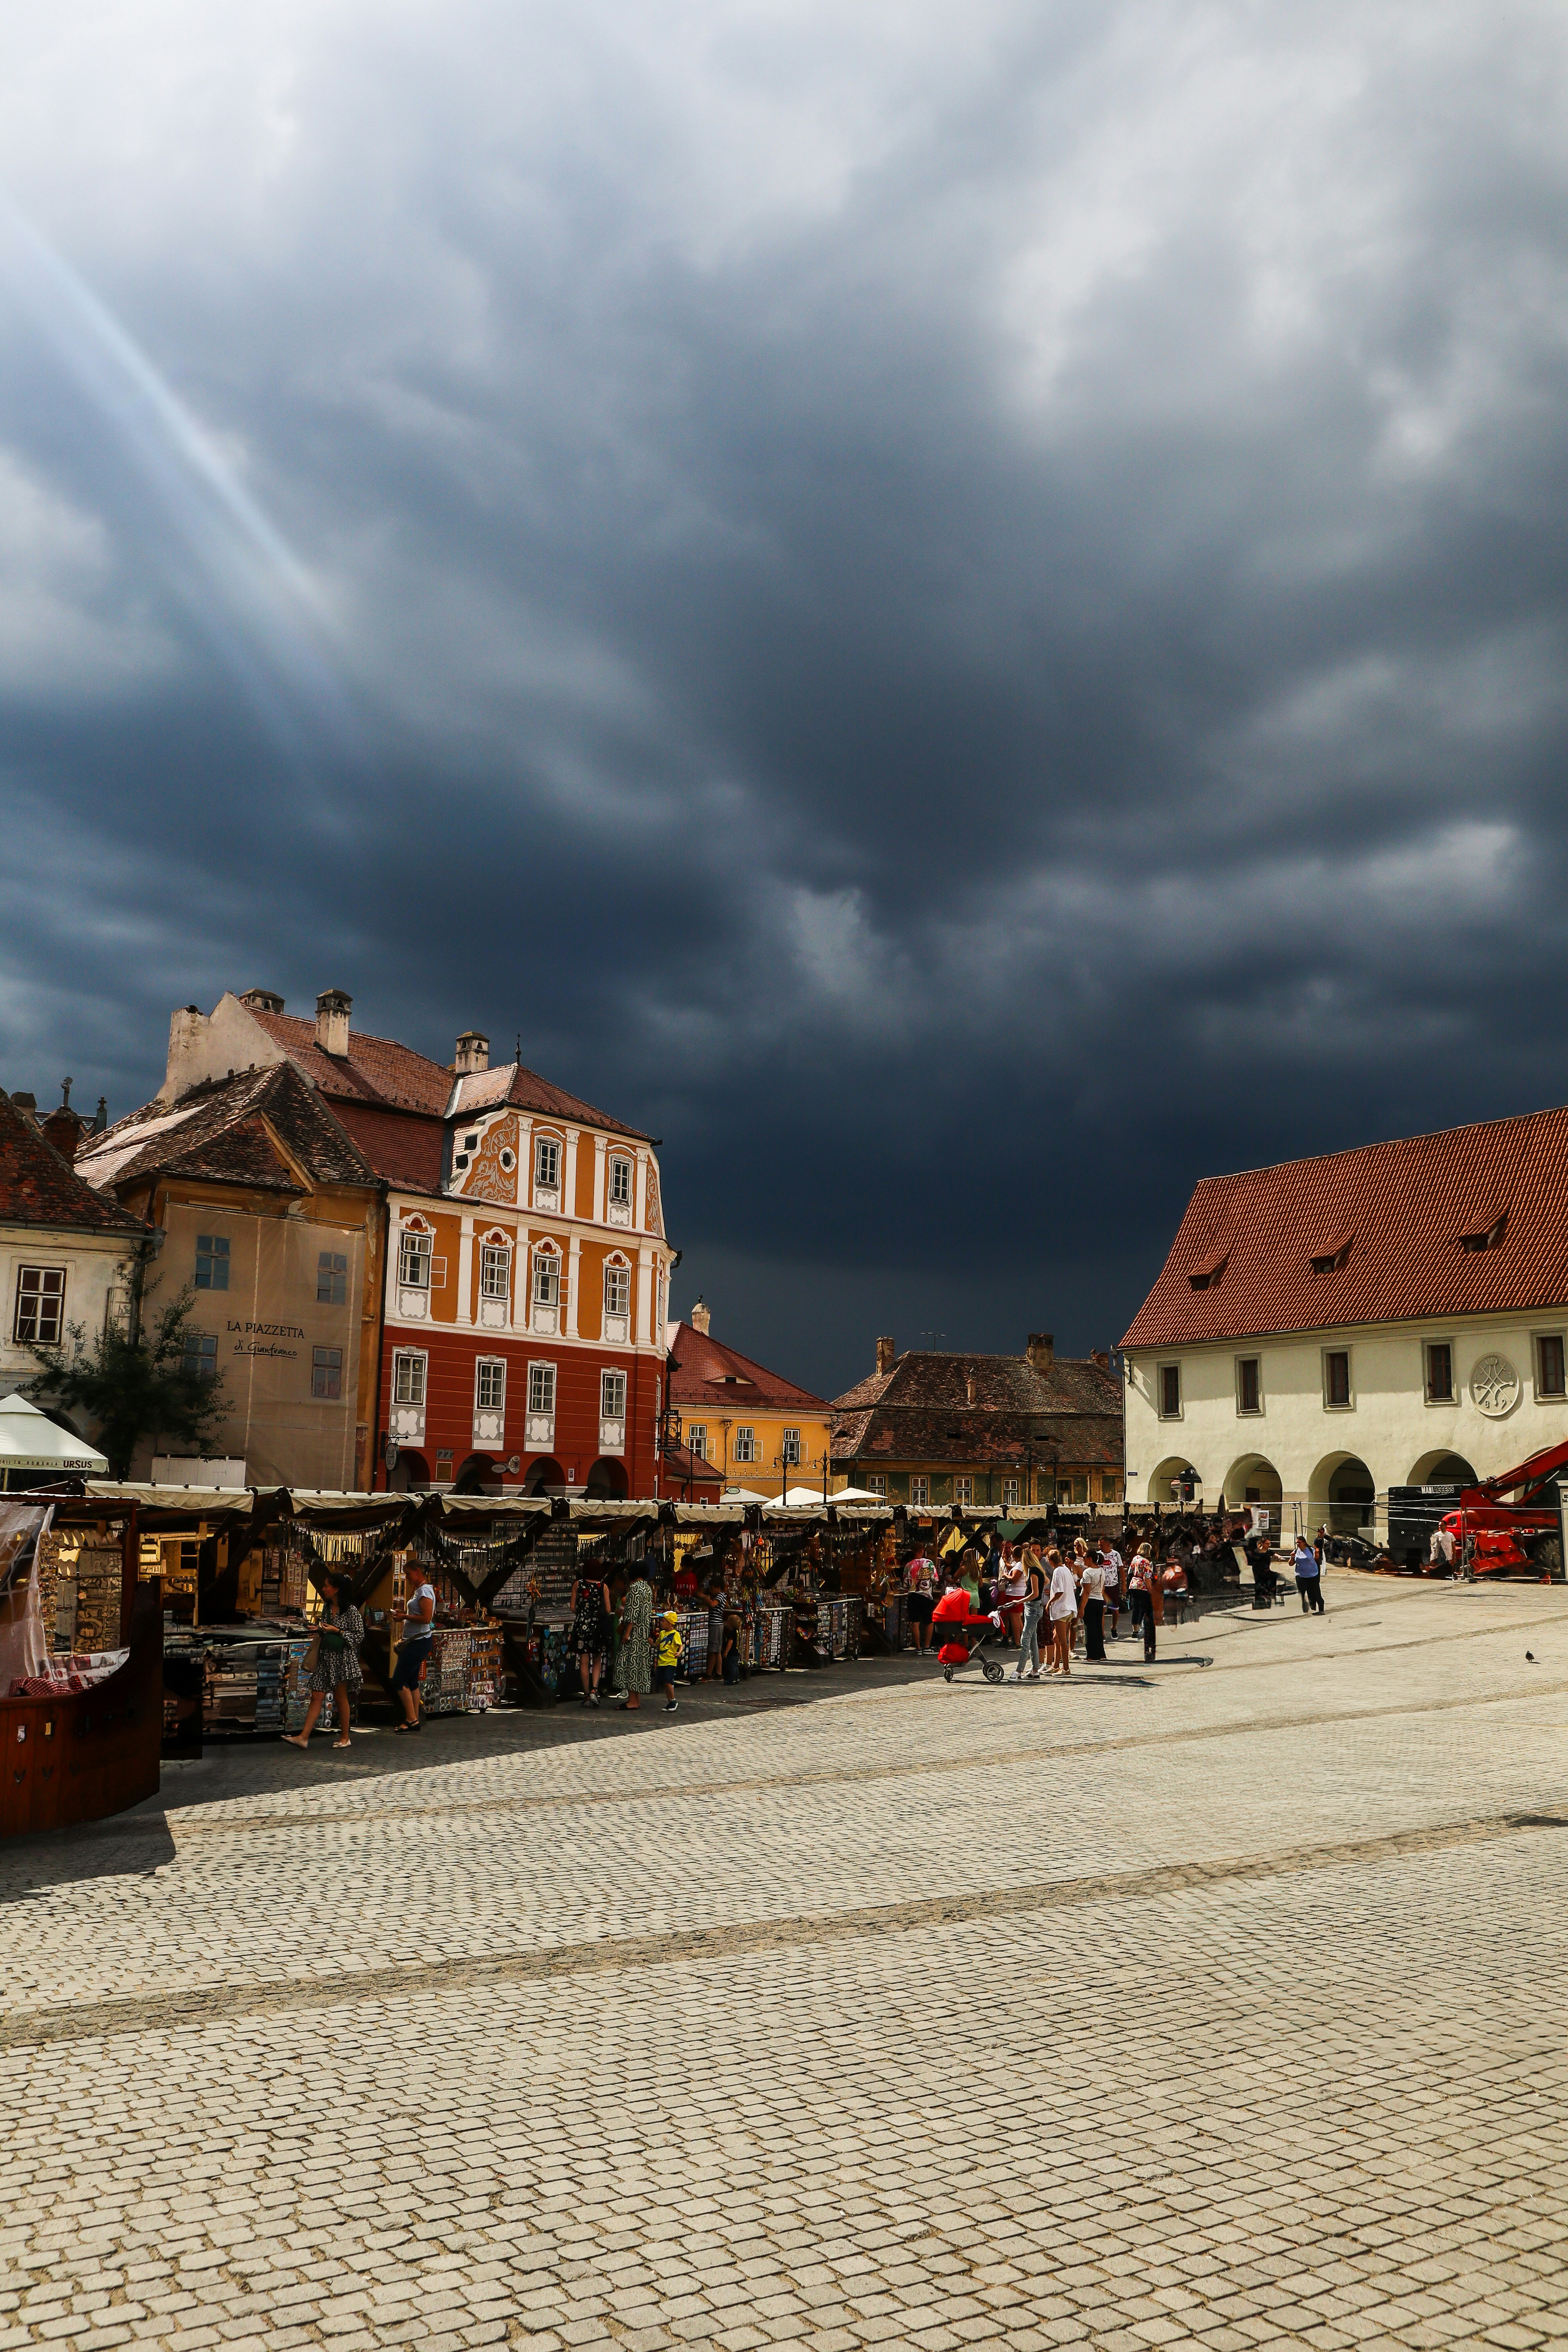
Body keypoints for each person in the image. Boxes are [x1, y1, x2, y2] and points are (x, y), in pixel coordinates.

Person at [284, 1569, 363, 1752]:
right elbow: (326, 1629)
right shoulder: (327, 1608)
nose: (324, 1588)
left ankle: (345, 1737)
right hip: (326, 1658)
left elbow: (358, 1636)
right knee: (317, 1695)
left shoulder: (351, 1611)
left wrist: (339, 1632)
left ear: (336, 1589)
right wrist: (319, 1629)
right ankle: (304, 1737)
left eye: (327, 1586)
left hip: (343, 1660)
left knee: (340, 1697)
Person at [390, 1563, 436, 1733]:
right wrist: (403, 1615)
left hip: (418, 1642)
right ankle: (415, 1717)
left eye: (408, 1574)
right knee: (411, 1681)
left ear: (418, 1572)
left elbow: (425, 1618)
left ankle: (411, 1718)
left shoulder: (424, 1591)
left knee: (398, 1680)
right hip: (416, 1640)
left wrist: (404, 1617)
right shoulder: (420, 1590)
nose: (407, 1578)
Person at [567, 1562, 613, 1704]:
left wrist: (583, 1614)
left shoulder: (577, 1585)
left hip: (582, 1624)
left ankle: (586, 1693)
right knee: (597, 1658)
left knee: (584, 1660)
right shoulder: (603, 1587)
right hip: (598, 1625)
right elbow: (608, 1609)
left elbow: (573, 1607)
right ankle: (595, 1690)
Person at [615, 1568, 655, 1709]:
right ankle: (636, 1700)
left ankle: (632, 1701)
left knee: (630, 1664)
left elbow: (632, 1613)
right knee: (639, 1666)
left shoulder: (634, 1589)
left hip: (634, 1633)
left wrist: (627, 1633)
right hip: (644, 1631)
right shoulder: (648, 1588)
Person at [1013, 1544, 1045, 1681]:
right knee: (1033, 1640)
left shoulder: (1033, 1571)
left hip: (1033, 1607)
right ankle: (1035, 1670)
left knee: (1025, 1638)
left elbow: (1035, 1593)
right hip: (1032, 1607)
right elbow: (1047, 1581)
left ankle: (1018, 1671)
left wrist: (1020, 1601)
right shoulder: (1037, 1570)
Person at [1045, 1546, 1078, 1677]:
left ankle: (1066, 1668)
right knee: (1056, 1638)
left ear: (1051, 1561)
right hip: (1070, 1608)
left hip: (1062, 1610)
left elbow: (1059, 1592)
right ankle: (1056, 1665)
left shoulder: (1058, 1571)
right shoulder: (1066, 1570)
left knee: (1062, 1641)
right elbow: (1074, 1589)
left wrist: (1050, 1602)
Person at [1078, 1543, 1107, 1661]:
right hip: (1099, 1601)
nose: (1083, 1559)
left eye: (1084, 1557)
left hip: (1090, 1602)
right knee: (1098, 1628)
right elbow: (1103, 1587)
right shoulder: (1102, 1571)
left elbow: (1087, 1591)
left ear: (1090, 1559)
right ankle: (1101, 1653)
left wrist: (1082, 1608)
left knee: (1090, 1629)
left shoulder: (1088, 1572)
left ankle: (1092, 1655)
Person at [1128, 1543, 1156, 1663]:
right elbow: (1147, 1578)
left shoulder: (1135, 1559)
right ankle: (1142, 1632)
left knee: (1136, 1608)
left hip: (1134, 1585)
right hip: (1143, 1587)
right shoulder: (1147, 1562)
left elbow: (1130, 1571)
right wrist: (1152, 1592)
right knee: (1146, 1610)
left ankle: (1135, 1629)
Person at [905, 1549, 937, 1653]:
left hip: (913, 1596)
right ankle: (927, 1647)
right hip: (926, 1595)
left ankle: (918, 1647)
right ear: (922, 1551)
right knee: (929, 1622)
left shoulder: (908, 1566)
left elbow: (906, 1583)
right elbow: (936, 1579)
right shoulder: (929, 1564)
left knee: (915, 1622)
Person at [653, 1608, 684, 1712]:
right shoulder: (662, 1634)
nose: (661, 1623)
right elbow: (658, 1645)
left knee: (668, 1681)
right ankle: (670, 1701)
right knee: (664, 1682)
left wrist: (679, 1653)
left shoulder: (676, 1634)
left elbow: (681, 1646)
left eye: (663, 1621)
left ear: (670, 1623)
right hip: (662, 1662)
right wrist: (651, 1644)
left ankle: (673, 1700)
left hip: (671, 1661)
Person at [997, 1543, 1026, 1648]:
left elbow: (1014, 1579)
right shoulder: (1021, 1564)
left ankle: (1017, 1642)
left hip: (1016, 1594)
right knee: (1018, 1619)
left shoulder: (1019, 1565)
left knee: (1014, 1619)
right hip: (1018, 1594)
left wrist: (1005, 1576)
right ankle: (1022, 1640)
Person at [705, 1570, 727, 1681]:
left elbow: (713, 1605)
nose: (711, 1591)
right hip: (717, 1625)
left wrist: (704, 1597)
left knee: (713, 1650)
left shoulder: (720, 1596)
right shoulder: (719, 1595)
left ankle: (709, 1674)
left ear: (718, 1588)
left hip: (716, 1625)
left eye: (712, 1588)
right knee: (717, 1650)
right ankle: (719, 1673)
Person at [1294, 1534, 1325, 1612]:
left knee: (1314, 1593)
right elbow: (1291, 1563)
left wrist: (1317, 1557)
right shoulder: (1296, 1551)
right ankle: (1302, 1610)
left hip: (1313, 1575)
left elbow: (1318, 1561)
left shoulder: (1311, 1550)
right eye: (1297, 1543)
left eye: (1299, 1542)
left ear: (1304, 1542)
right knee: (1301, 1593)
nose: (1298, 1544)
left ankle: (1320, 1610)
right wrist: (1291, 1557)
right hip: (1301, 1575)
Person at [1100, 1538, 1123, 1640]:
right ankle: (1102, 1632)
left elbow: (1121, 1569)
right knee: (1102, 1610)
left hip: (1113, 1585)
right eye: (1099, 1545)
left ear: (1108, 1545)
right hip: (1102, 1587)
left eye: (1102, 1545)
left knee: (1115, 1610)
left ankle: (1114, 1627)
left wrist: (1124, 1585)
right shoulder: (1098, 1555)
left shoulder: (1116, 1555)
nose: (1100, 1547)